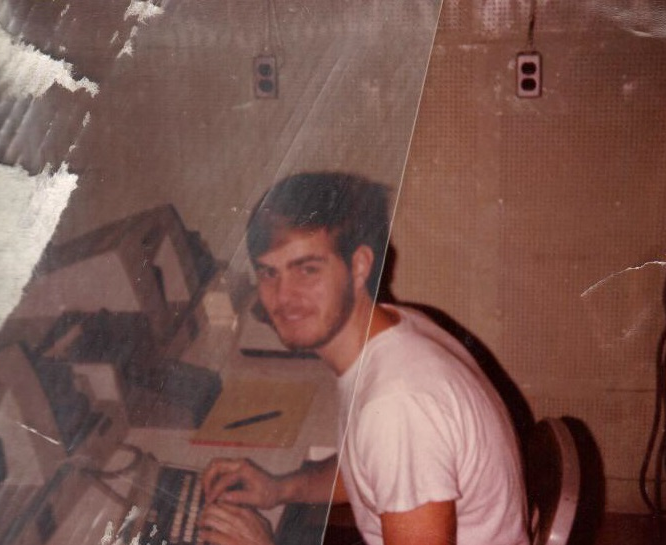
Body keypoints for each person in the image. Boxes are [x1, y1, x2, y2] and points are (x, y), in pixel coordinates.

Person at [198, 172, 529, 545]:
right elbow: (368, 470)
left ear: (359, 266)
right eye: (268, 272)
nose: (283, 296)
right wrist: (281, 488)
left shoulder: (397, 407)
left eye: (307, 269)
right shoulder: (394, 327)